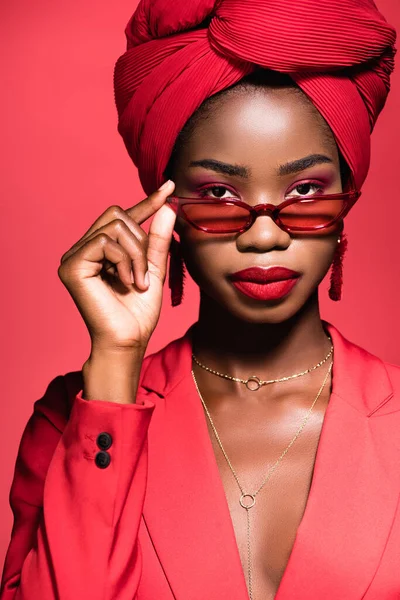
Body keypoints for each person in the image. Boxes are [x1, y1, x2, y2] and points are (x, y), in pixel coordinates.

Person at [1, 1, 399, 599]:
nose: (265, 234)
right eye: (217, 192)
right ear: (169, 214)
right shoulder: (73, 422)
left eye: (307, 189)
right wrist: (115, 362)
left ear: (347, 201)